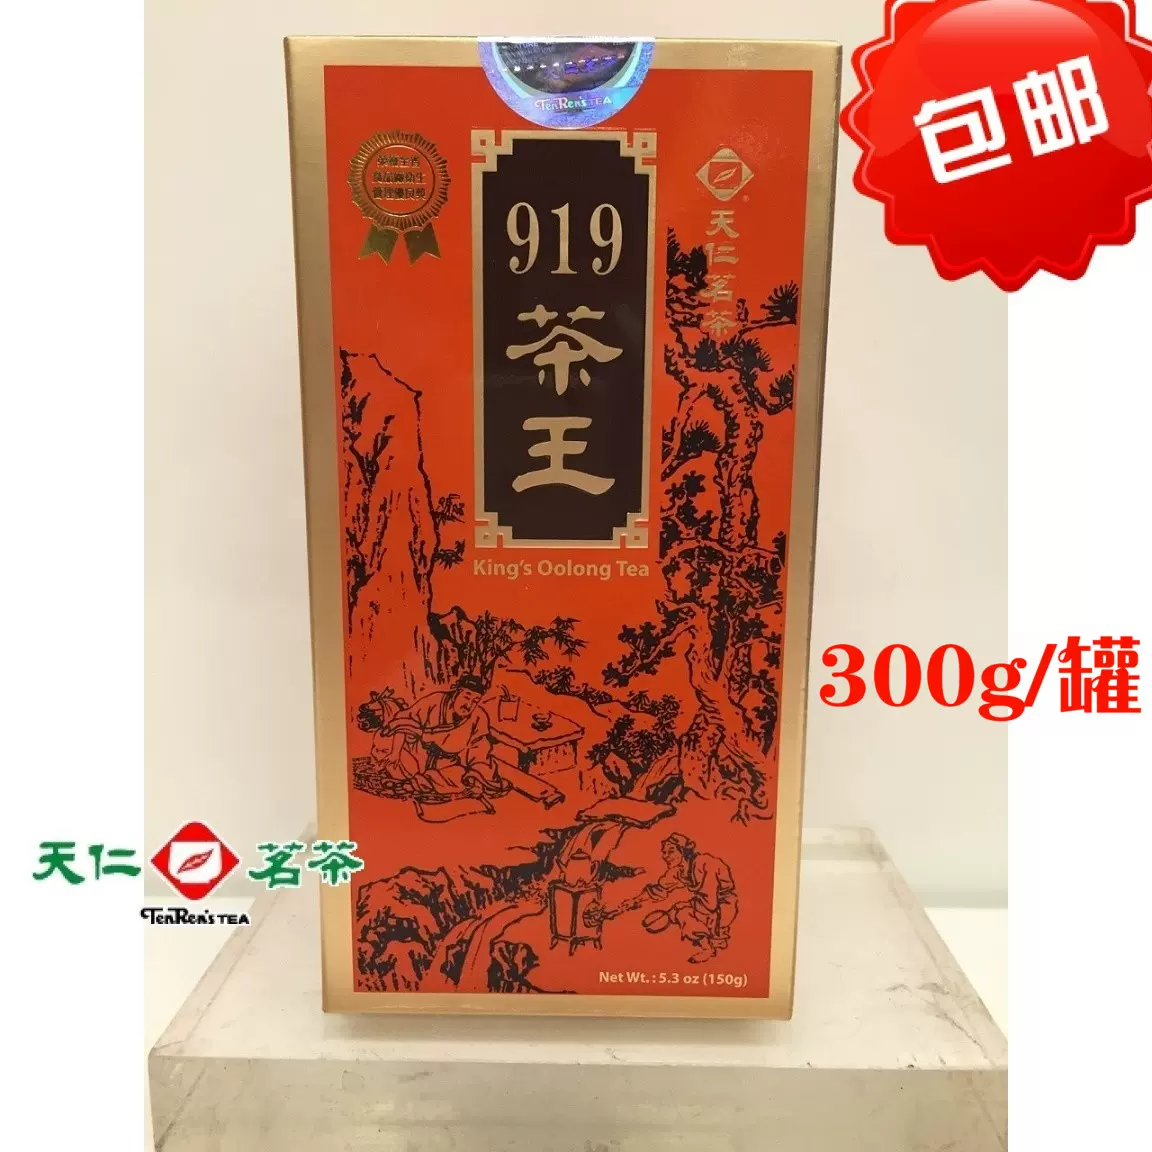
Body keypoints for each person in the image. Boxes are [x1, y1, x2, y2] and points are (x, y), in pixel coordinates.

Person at [371, 675, 509, 800]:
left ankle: (419, 783)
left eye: (475, 701)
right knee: (389, 750)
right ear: (457, 692)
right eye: (467, 697)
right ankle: (415, 781)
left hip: (445, 764)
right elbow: (403, 721)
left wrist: (477, 772)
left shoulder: (479, 717)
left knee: (461, 776)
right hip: (417, 755)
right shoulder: (435, 700)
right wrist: (395, 752)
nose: (469, 705)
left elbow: (479, 750)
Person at [609, 833, 738, 963]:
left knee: (682, 913)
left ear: (684, 851)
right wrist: (635, 901)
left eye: (671, 851)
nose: (665, 856)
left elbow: (710, 903)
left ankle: (709, 948)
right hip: (706, 906)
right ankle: (712, 941)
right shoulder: (679, 871)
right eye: (664, 852)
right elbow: (659, 889)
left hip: (724, 907)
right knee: (678, 912)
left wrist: (684, 905)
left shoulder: (704, 863)